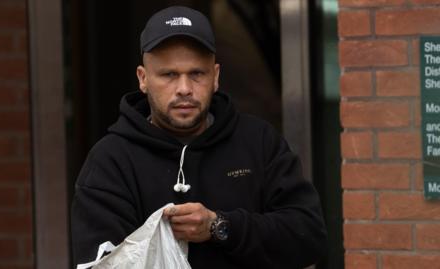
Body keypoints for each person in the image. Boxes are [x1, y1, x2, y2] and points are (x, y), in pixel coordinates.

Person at [71, 6, 327, 268]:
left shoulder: (259, 142)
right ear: (143, 78)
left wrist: (219, 226)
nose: (184, 89)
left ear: (215, 77)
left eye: (196, 74)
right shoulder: (110, 160)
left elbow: (309, 237)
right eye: (169, 75)